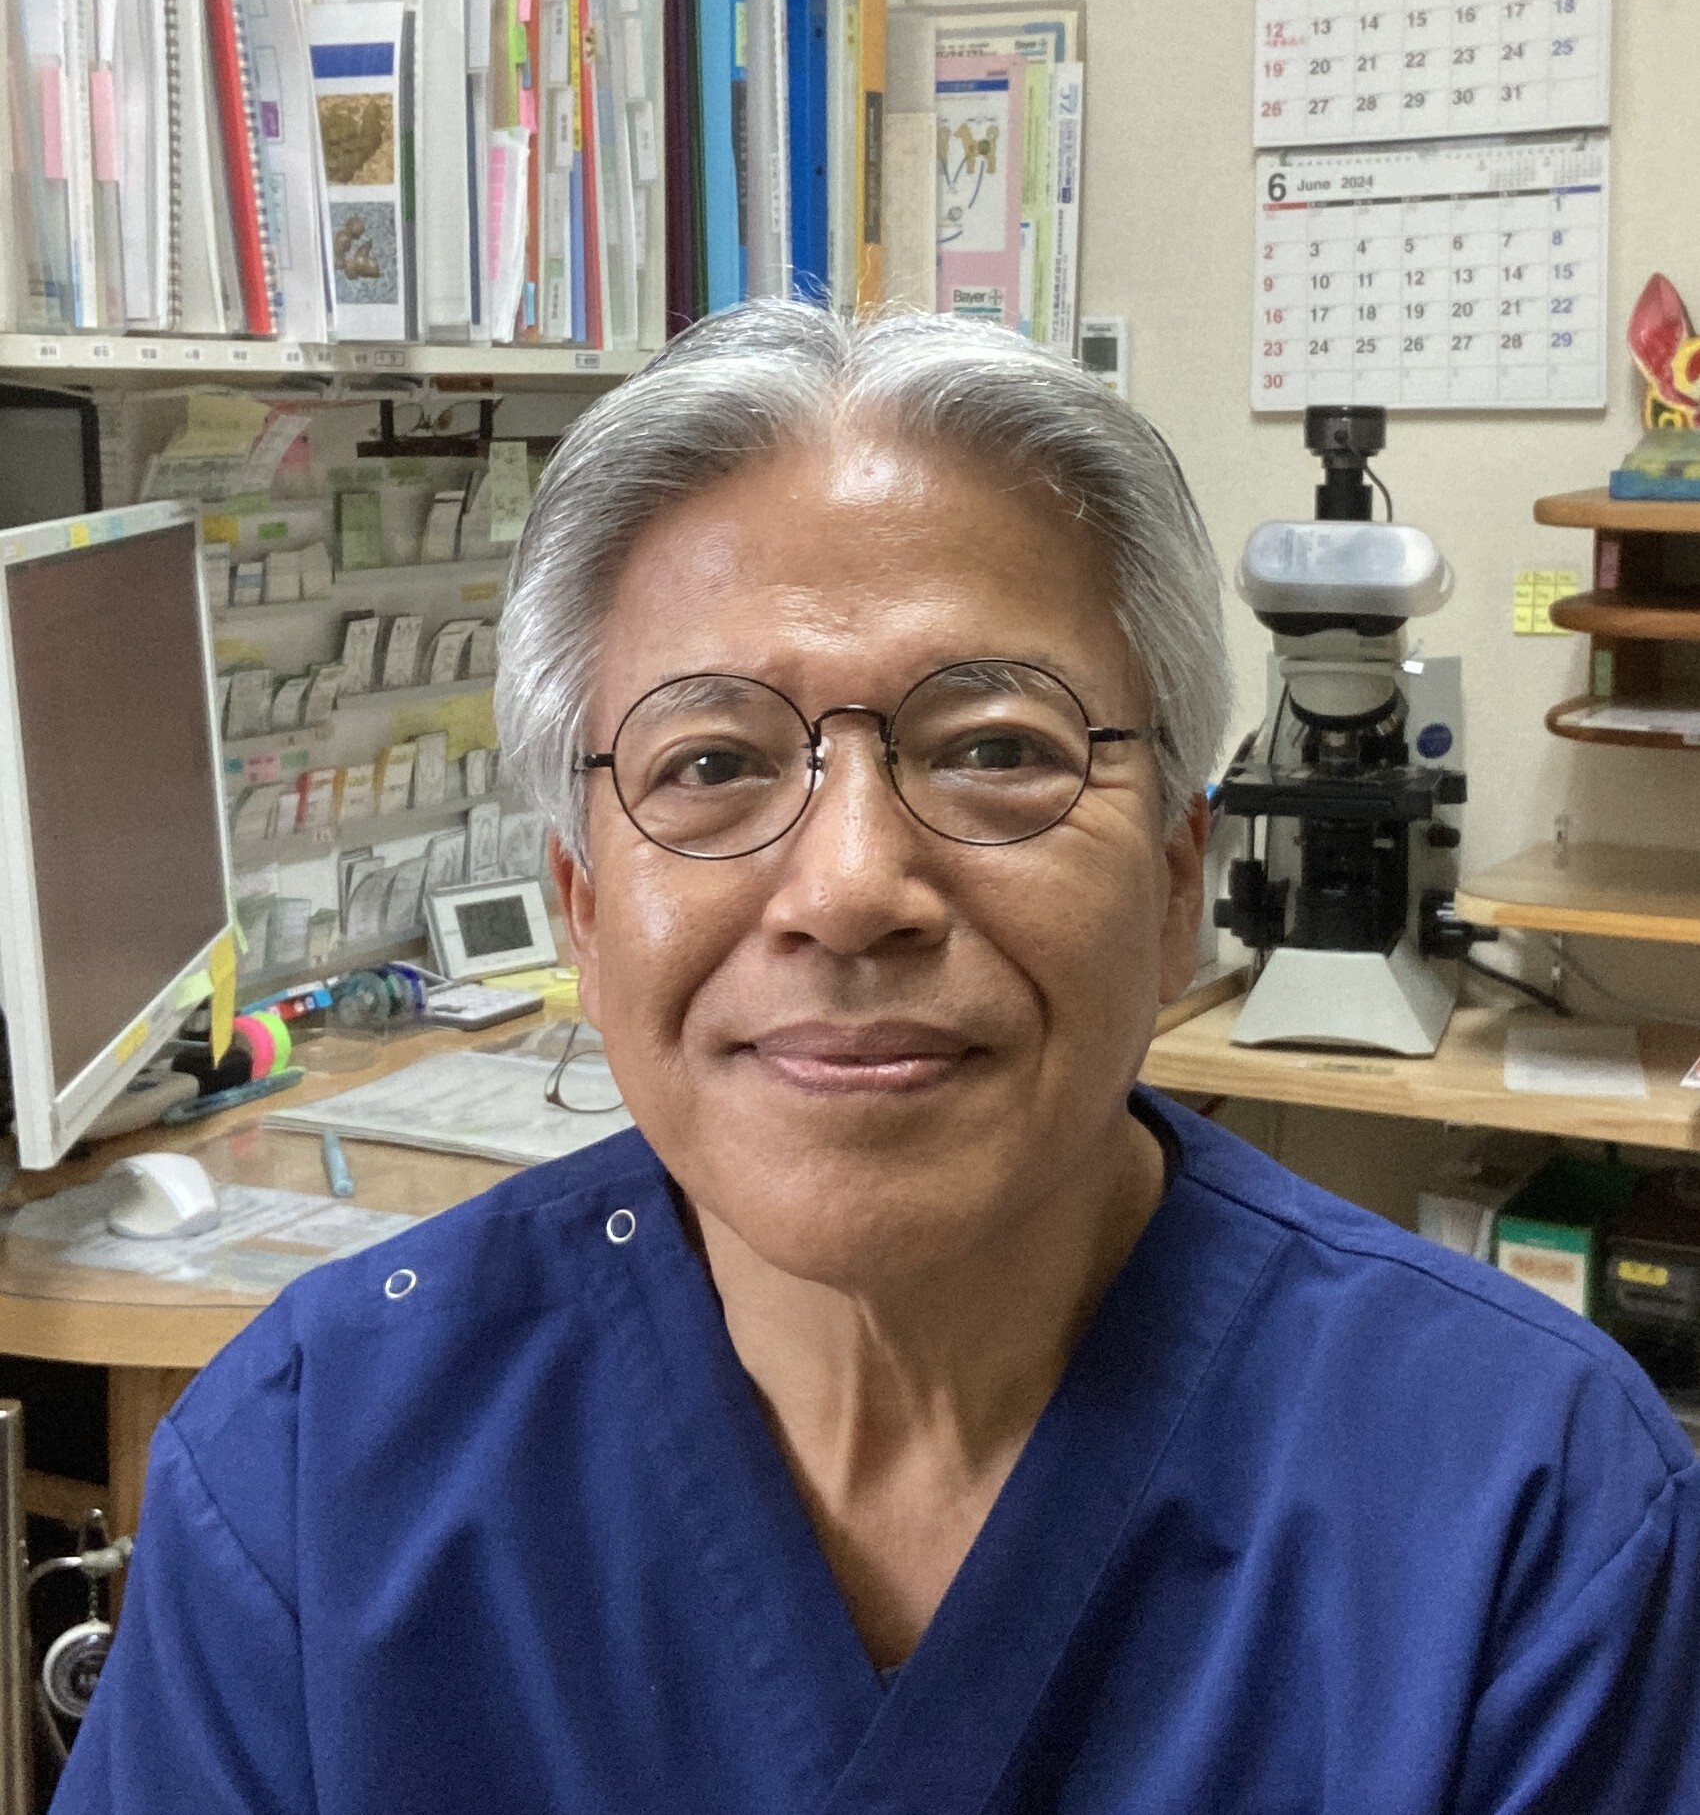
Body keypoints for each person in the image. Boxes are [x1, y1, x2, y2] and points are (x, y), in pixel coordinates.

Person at [55, 306, 1700, 1814]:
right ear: (585, 909)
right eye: (712, 763)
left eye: (996, 747)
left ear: (1177, 885)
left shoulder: (1527, 1512)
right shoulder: (314, 1472)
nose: (849, 889)